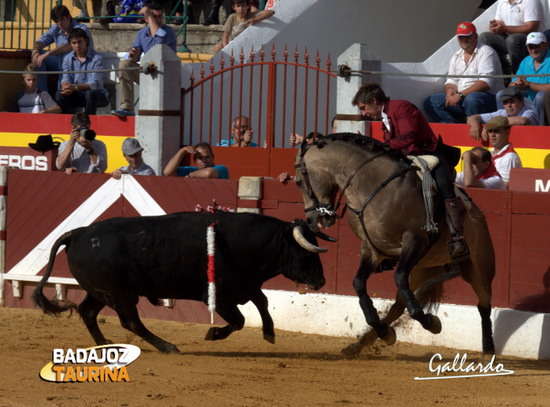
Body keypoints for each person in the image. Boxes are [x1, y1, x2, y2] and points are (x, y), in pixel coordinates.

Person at [353, 82, 468, 260]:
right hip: (408, 158)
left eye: (363, 108)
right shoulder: (385, 116)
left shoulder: (401, 107)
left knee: (443, 185)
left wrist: (380, 147)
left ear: (374, 100)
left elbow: (408, 136)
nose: (363, 113)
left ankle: (457, 236)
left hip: (430, 153)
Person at [424, 22, 503, 123]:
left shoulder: (486, 52)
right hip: (464, 98)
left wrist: (460, 95)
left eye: (467, 36)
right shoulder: (456, 56)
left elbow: (485, 83)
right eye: (460, 37)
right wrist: (449, 93)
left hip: (486, 99)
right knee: (431, 102)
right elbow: (451, 81)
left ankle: (476, 126)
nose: (463, 39)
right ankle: (455, 130)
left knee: (472, 99)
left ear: (475, 36)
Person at [111, 3, 177, 117]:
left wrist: (150, 16)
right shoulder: (142, 33)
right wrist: (133, 56)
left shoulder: (169, 32)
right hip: (149, 72)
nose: (158, 19)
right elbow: (133, 54)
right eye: (154, 16)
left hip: (165, 74)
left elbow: (158, 45)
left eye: (160, 16)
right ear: (146, 19)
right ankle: (127, 108)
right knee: (124, 64)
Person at [31, 5, 95, 93]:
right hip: (62, 65)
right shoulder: (56, 28)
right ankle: (43, 95)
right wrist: (36, 50)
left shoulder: (81, 28)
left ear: (69, 17)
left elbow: (70, 46)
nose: (59, 23)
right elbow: (40, 41)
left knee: (64, 57)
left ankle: (60, 92)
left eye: (62, 19)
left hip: (80, 67)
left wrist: (48, 54)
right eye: (56, 21)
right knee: (37, 56)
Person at [479, 0, 544, 74]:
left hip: (530, 40)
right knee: (484, 37)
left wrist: (505, 28)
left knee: (513, 39)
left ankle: (518, 76)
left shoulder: (531, 1)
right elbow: (499, 21)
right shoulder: (502, 1)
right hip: (508, 39)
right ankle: (492, 75)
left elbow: (531, 27)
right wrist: (495, 27)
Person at [499, 32, 550, 124]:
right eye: (530, 47)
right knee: (501, 94)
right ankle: (503, 126)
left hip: (545, 104)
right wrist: (516, 84)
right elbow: (512, 83)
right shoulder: (526, 61)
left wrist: (528, 84)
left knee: (541, 96)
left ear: (545, 45)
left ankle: (542, 130)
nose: (533, 50)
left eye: (537, 46)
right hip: (528, 102)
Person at [55, 28, 109, 115]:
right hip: (77, 94)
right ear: (70, 44)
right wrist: (66, 86)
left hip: (97, 96)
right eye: (74, 43)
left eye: (79, 42)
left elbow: (94, 83)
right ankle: (66, 124)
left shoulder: (97, 58)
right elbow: (65, 77)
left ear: (86, 41)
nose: (77, 46)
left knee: (90, 94)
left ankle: (88, 125)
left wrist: (75, 87)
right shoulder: (67, 59)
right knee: (60, 94)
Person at [467, 86, 538, 142]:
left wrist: (491, 124)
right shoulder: (502, 112)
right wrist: (475, 125)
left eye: (512, 102)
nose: (509, 106)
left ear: (521, 102)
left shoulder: (529, 112)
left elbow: (522, 121)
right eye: (505, 103)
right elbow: (472, 118)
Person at [484, 115, 522, 187]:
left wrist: (479, 183)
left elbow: (505, 186)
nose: (492, 135)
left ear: (507, 132)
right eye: (490, 131)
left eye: (496, 131)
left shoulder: (509, 158)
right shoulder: (490, 154)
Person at [163, 142, 229, 178]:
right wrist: (181, 152)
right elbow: (167, 173)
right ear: (195, 160)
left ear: (213, 158)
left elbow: (208, 173)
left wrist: (190, 176)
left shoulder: (221, 169)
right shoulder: (190, 170)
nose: (204, 160)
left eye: (207, 157)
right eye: (200, 158)